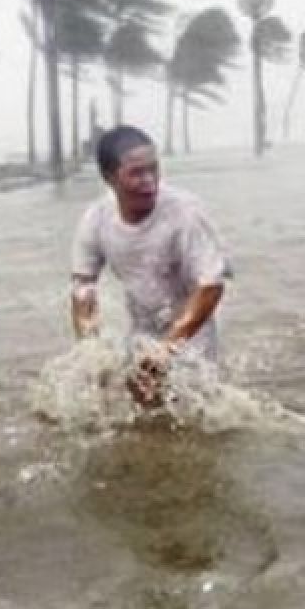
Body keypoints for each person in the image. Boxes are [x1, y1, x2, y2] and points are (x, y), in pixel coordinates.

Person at [70, 126, 232, 406]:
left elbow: (211, 286)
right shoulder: (97, 219)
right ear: (109, 177)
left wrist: (168, 348)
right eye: (136, 173)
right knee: (135, 407)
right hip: (142, 328)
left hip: (191, 330)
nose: (150, 182)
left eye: (154, 169)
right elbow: (82, 287)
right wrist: (91, 350)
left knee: (194, 409)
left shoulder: (184, 212)